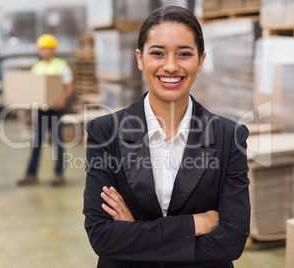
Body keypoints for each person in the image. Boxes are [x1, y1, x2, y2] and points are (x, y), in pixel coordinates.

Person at [83, 6, 250, 268]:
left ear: (201, 60)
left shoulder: (229, 136)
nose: (171, 66)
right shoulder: (105, 133)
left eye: (184, 54)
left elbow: (232, 239)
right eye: (157, 53)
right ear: (140, 58)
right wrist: (194, 224)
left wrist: (135, 230)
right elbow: (102, 236)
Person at [17, 34, 74, 186]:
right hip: (41, 109)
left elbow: (69, 87)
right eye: (41, 49)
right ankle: (31, 173)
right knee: (36, 142)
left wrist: (61, 100)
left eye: (46, 48)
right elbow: (33, 87)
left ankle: (58, 174)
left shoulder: (61, 66)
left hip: (56, 109)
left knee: (57, 142)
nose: (43, 51)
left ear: (52, 49)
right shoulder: (37, 67)